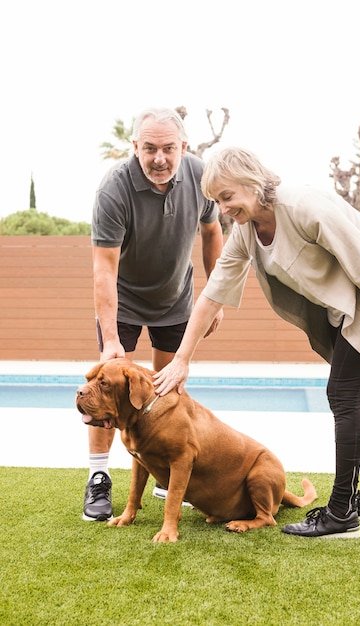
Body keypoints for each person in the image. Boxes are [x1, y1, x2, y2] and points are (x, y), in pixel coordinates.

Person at [153, 146, 360, 539]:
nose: (223, 209)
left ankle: (342, 514)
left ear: (252, 183)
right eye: (217, 202)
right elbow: (212, 295)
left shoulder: (305, 206)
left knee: (344, 396)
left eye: (227, 197)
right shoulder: (245, 231)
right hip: (345, 308)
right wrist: (182, 360)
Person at [83, 107, 224, 521]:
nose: (158, 158)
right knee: (104, 390)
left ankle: (163, 471)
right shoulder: (114, 189)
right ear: (135, 148)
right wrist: (111, 340)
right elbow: (104, 269)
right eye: (149, 149)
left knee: (166, 393)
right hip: (123, 301)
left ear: (183, 147)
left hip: (176, 300)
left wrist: (211, 299)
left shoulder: (200, 177)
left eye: (167, 148)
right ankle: (98, 478)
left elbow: (213, 230)